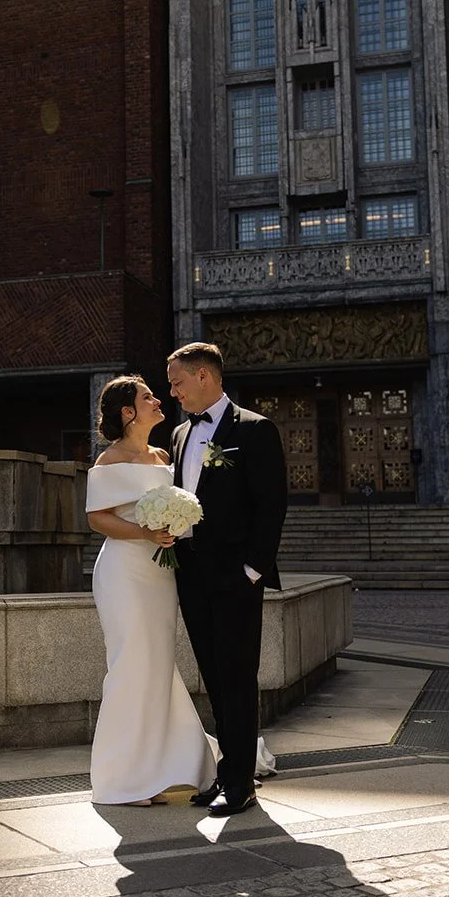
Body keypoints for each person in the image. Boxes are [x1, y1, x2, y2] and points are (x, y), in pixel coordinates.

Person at [168, 342, 289, 817]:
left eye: (177, 382)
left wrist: (253, 570)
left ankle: (241, 783)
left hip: (236, 577)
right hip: (191, 574)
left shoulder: (255, 429)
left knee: (238, 676)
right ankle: (227, 770)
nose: (173, 392)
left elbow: (271, 505)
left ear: (204, 376)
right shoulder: (179, 434)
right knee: (214, 677)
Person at [85, 376, 217, 806]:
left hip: (162, 573)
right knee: (130, 664)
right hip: (123, 573)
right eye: (148, 398)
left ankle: (162, 768)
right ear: (128, 412)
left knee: (157, 665)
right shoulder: (109, 460)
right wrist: (145, 532)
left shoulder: (163, 456)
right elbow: (97, 518)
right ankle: (121, 779)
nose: (159, 400)